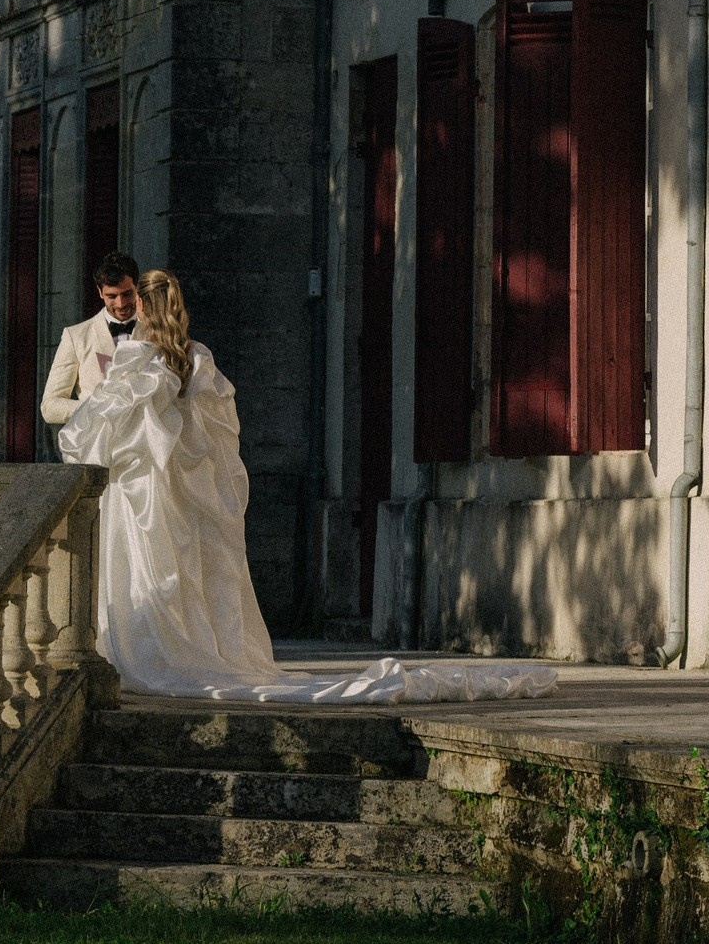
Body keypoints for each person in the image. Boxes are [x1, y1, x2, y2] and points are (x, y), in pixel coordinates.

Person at [56, 269, 555, 705]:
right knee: (184, 574)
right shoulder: (197, 359)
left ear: (142, 306)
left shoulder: (135, 361)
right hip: (182, 497)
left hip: (141, 493)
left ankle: (150, 650)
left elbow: (88, 436)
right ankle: (195, 647)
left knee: (149, 573)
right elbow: (218, 441)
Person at [41, 252, 144, 436]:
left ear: (137, 287)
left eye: (127, 294)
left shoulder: (159, 332)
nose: (120, 304)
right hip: (95, 444)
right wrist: (95, 407)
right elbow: (50, 406)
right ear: (100, 292)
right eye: (112, 296)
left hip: (146, 446)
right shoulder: (76, 337)